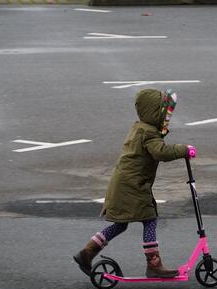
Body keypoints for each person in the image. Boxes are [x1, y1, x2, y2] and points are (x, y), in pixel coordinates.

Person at [74, 88, 196, 278]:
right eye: (164, 113)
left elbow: (155, 143)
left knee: (120, 224)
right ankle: (154, 265)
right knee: (149, 219)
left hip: (124, 184)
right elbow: (160, 152)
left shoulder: (140, 128)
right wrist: (184, 150)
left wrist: (162, 133)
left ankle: (87, 252)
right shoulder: (149, 133)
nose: (167, 118)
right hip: (133, 186)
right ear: (154, 113)